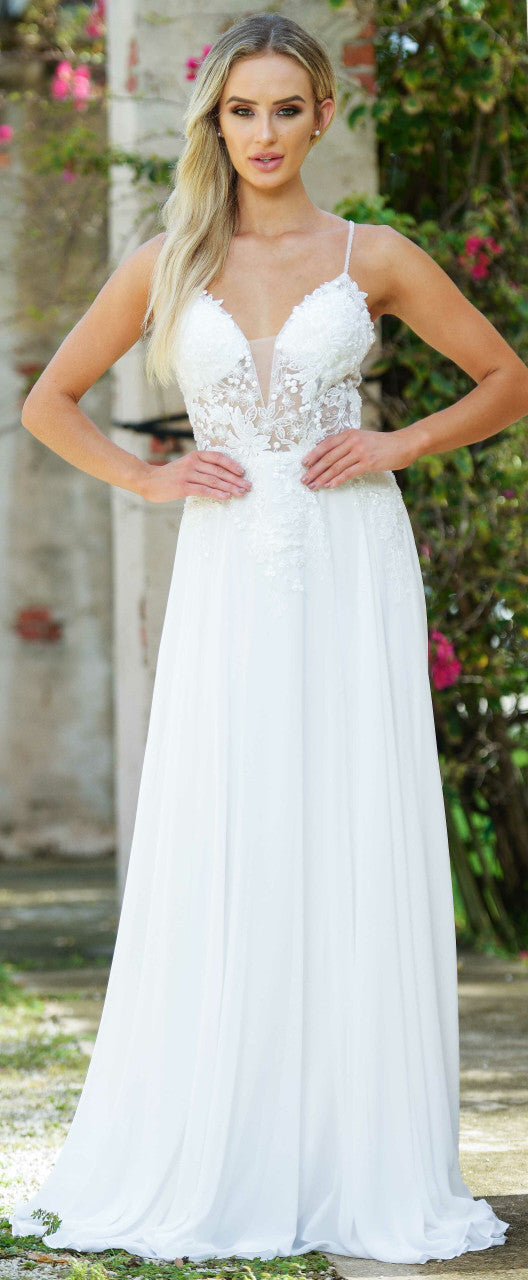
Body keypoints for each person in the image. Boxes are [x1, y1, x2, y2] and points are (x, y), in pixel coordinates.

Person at [9, 9, 524, 1267]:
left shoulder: (377, 254)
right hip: (232, 565)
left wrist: (399, 441)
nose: (263, 133)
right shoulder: (169, 257)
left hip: (351, 558)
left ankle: (357, 1157)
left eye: (285, 108)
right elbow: (48, 401)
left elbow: (509, 377)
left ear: (321, 115)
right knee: (232, 821)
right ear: (215, 120)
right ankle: (224, 1133)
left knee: (345, 817)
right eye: (241, 110)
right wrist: (148, 479)